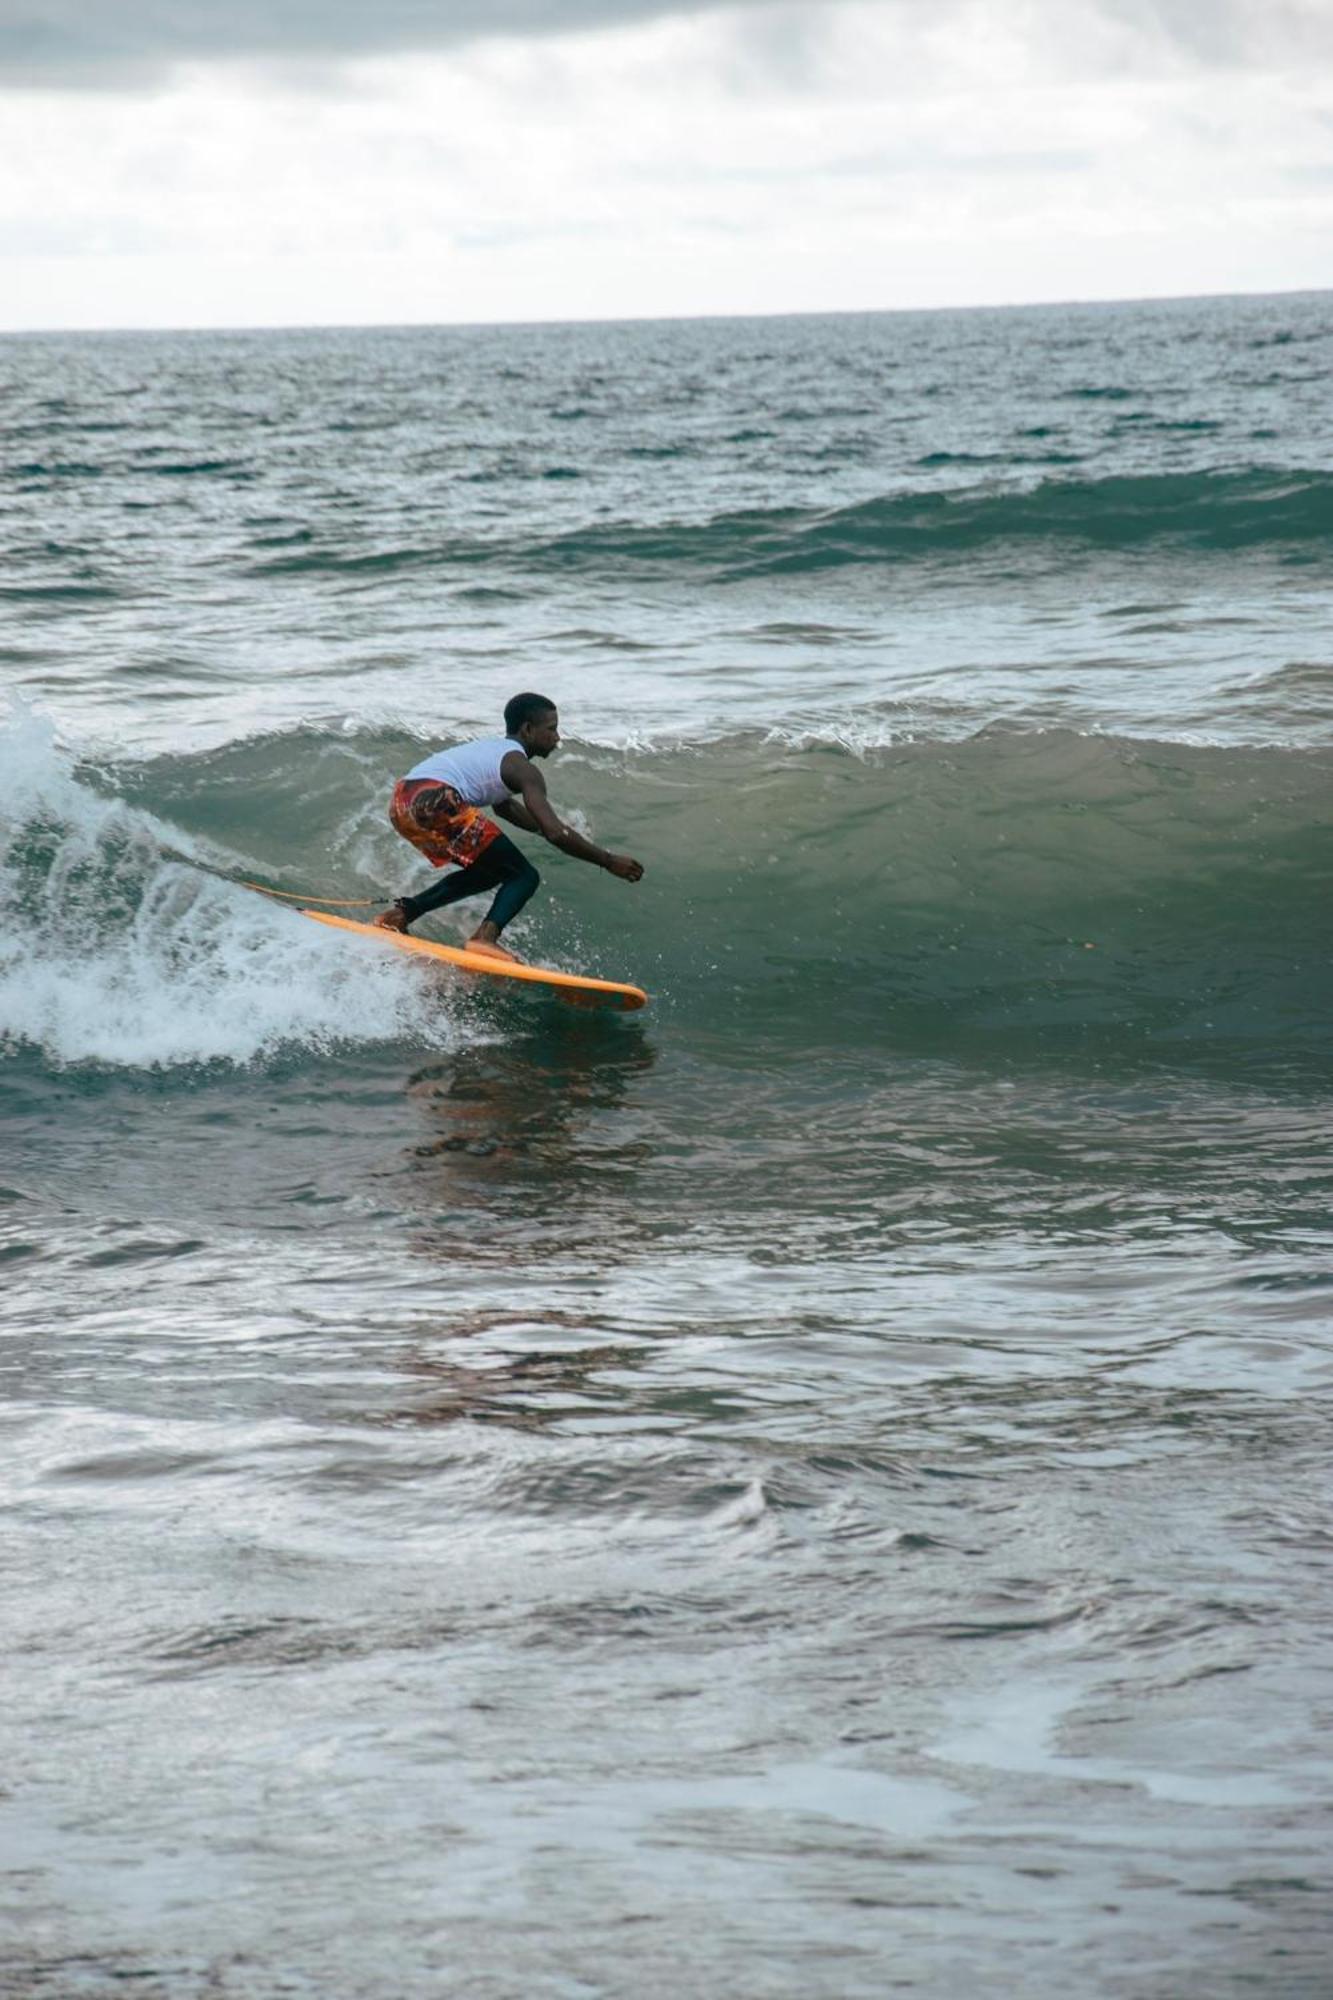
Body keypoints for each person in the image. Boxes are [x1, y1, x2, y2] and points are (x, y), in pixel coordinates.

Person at [374, 693, 644, 962]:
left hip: (403, 802)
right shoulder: (523, 769)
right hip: (437, 798)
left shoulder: (496, 752)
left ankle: (400, 915)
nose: (557, 737)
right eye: (551, 729)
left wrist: (546, 827)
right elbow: (555, 833)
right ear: (528, 729)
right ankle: (484, 938)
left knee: (490, 872)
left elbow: (506, 808)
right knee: (524, 876)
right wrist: (608, 860)